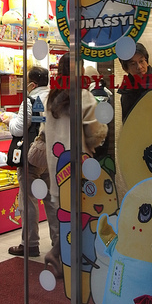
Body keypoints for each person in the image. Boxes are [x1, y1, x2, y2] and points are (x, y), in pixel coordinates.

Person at [44, 54, 108, 277]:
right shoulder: (83, 96)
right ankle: (66, 256)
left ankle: (61, 254)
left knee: (67, 214)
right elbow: (95, 132)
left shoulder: (50, 98)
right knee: (82, 214)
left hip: (57, 165)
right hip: (78, 164)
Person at [5, 66, 58, 259]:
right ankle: (58, 244)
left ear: (32, 83)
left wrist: (8, 120)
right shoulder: (54, 97)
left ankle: (30, 243)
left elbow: (19, 128)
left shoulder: (29, 100)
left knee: (28, 200)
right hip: (51, 154)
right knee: (52, 201)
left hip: (32, 155)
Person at [118, 42, 152, 122]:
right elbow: (127, 123)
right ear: (126, 69)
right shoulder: (126, 91)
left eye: (141, 61)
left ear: (147, 62)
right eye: (133, 64)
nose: (139, 67)